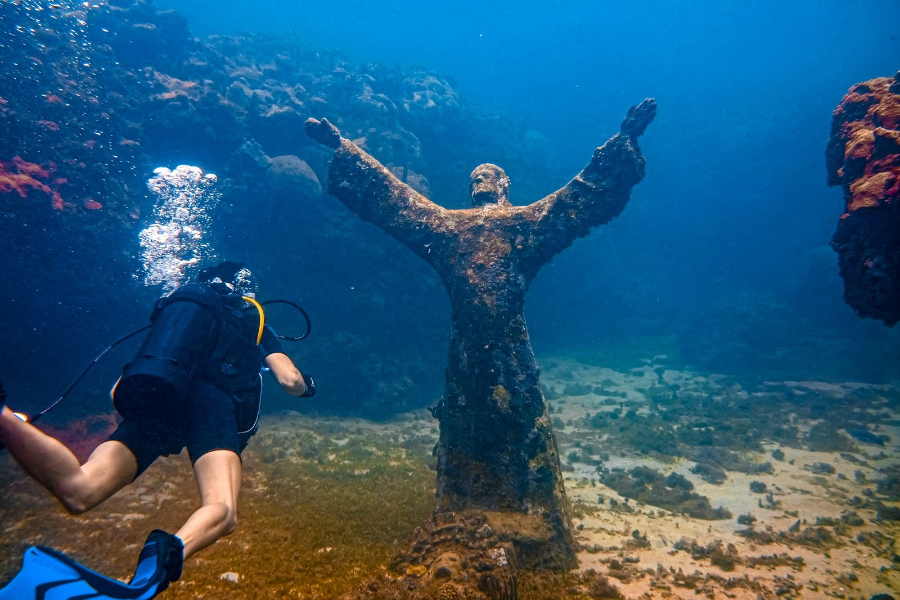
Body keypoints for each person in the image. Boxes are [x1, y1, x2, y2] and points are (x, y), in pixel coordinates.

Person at [0, 261, 315, 598]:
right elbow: (288, 378)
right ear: (241, 286)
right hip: (212, 406)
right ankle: (169, 553)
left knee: (80, 490)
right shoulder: (249, 317)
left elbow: (116, 395)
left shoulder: (174, 318)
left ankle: (3, 416)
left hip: (160, 395)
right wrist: (307, 387)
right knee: (222, 511)